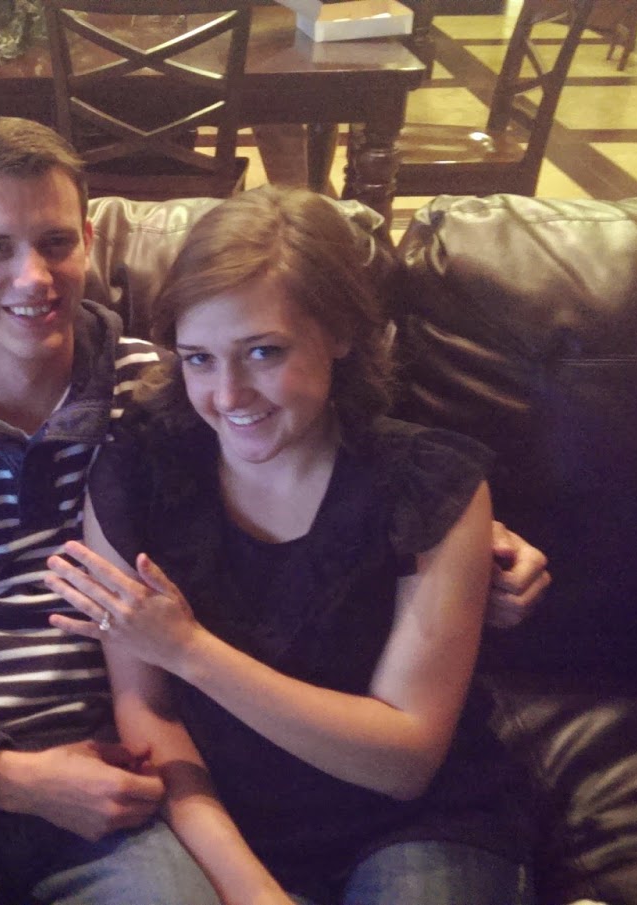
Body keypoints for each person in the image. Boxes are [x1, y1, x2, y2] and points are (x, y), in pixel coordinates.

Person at [0, 117, 545, 904]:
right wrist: (2, 775)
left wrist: (470, 545)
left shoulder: (158, 393)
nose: (33, 277)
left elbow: (325, 458)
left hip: (126, 778)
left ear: (89, 241)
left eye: (55, 242)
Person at [44, 185, 535, 904]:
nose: (228, 395)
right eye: (199, 358)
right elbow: (149, 712)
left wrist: (190, 649)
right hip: (225, 824)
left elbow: (404, 763)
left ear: (340, 333)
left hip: (419, 824)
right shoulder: (134, 472)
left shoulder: (428, 483)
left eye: (263, 352)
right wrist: (253, 892)